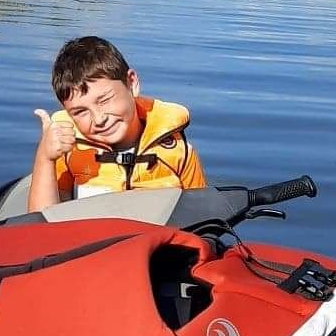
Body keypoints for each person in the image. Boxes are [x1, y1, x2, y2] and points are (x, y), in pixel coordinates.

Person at [29, 35, 207, 210]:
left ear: (132, 83)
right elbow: (41, 226)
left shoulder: (180, 152)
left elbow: (202, 219)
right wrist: (45, 157)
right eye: (80, 112)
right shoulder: (68, 151)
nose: (99, 119)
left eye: (105, 100)